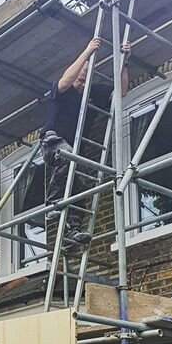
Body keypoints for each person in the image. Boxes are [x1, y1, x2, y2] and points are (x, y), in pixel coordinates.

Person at [40, 38, 130, 244]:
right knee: (68, 156)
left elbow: (121, 92)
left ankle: (72, 231)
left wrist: (125, 62)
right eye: (82, 69)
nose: (83, 73)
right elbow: (65, 81)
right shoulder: (61, 89)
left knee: (79, 187)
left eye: (87, 70)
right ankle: (53, 203)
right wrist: (87, 51)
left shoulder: (93, 92)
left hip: (74, 151)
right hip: (52, 141)